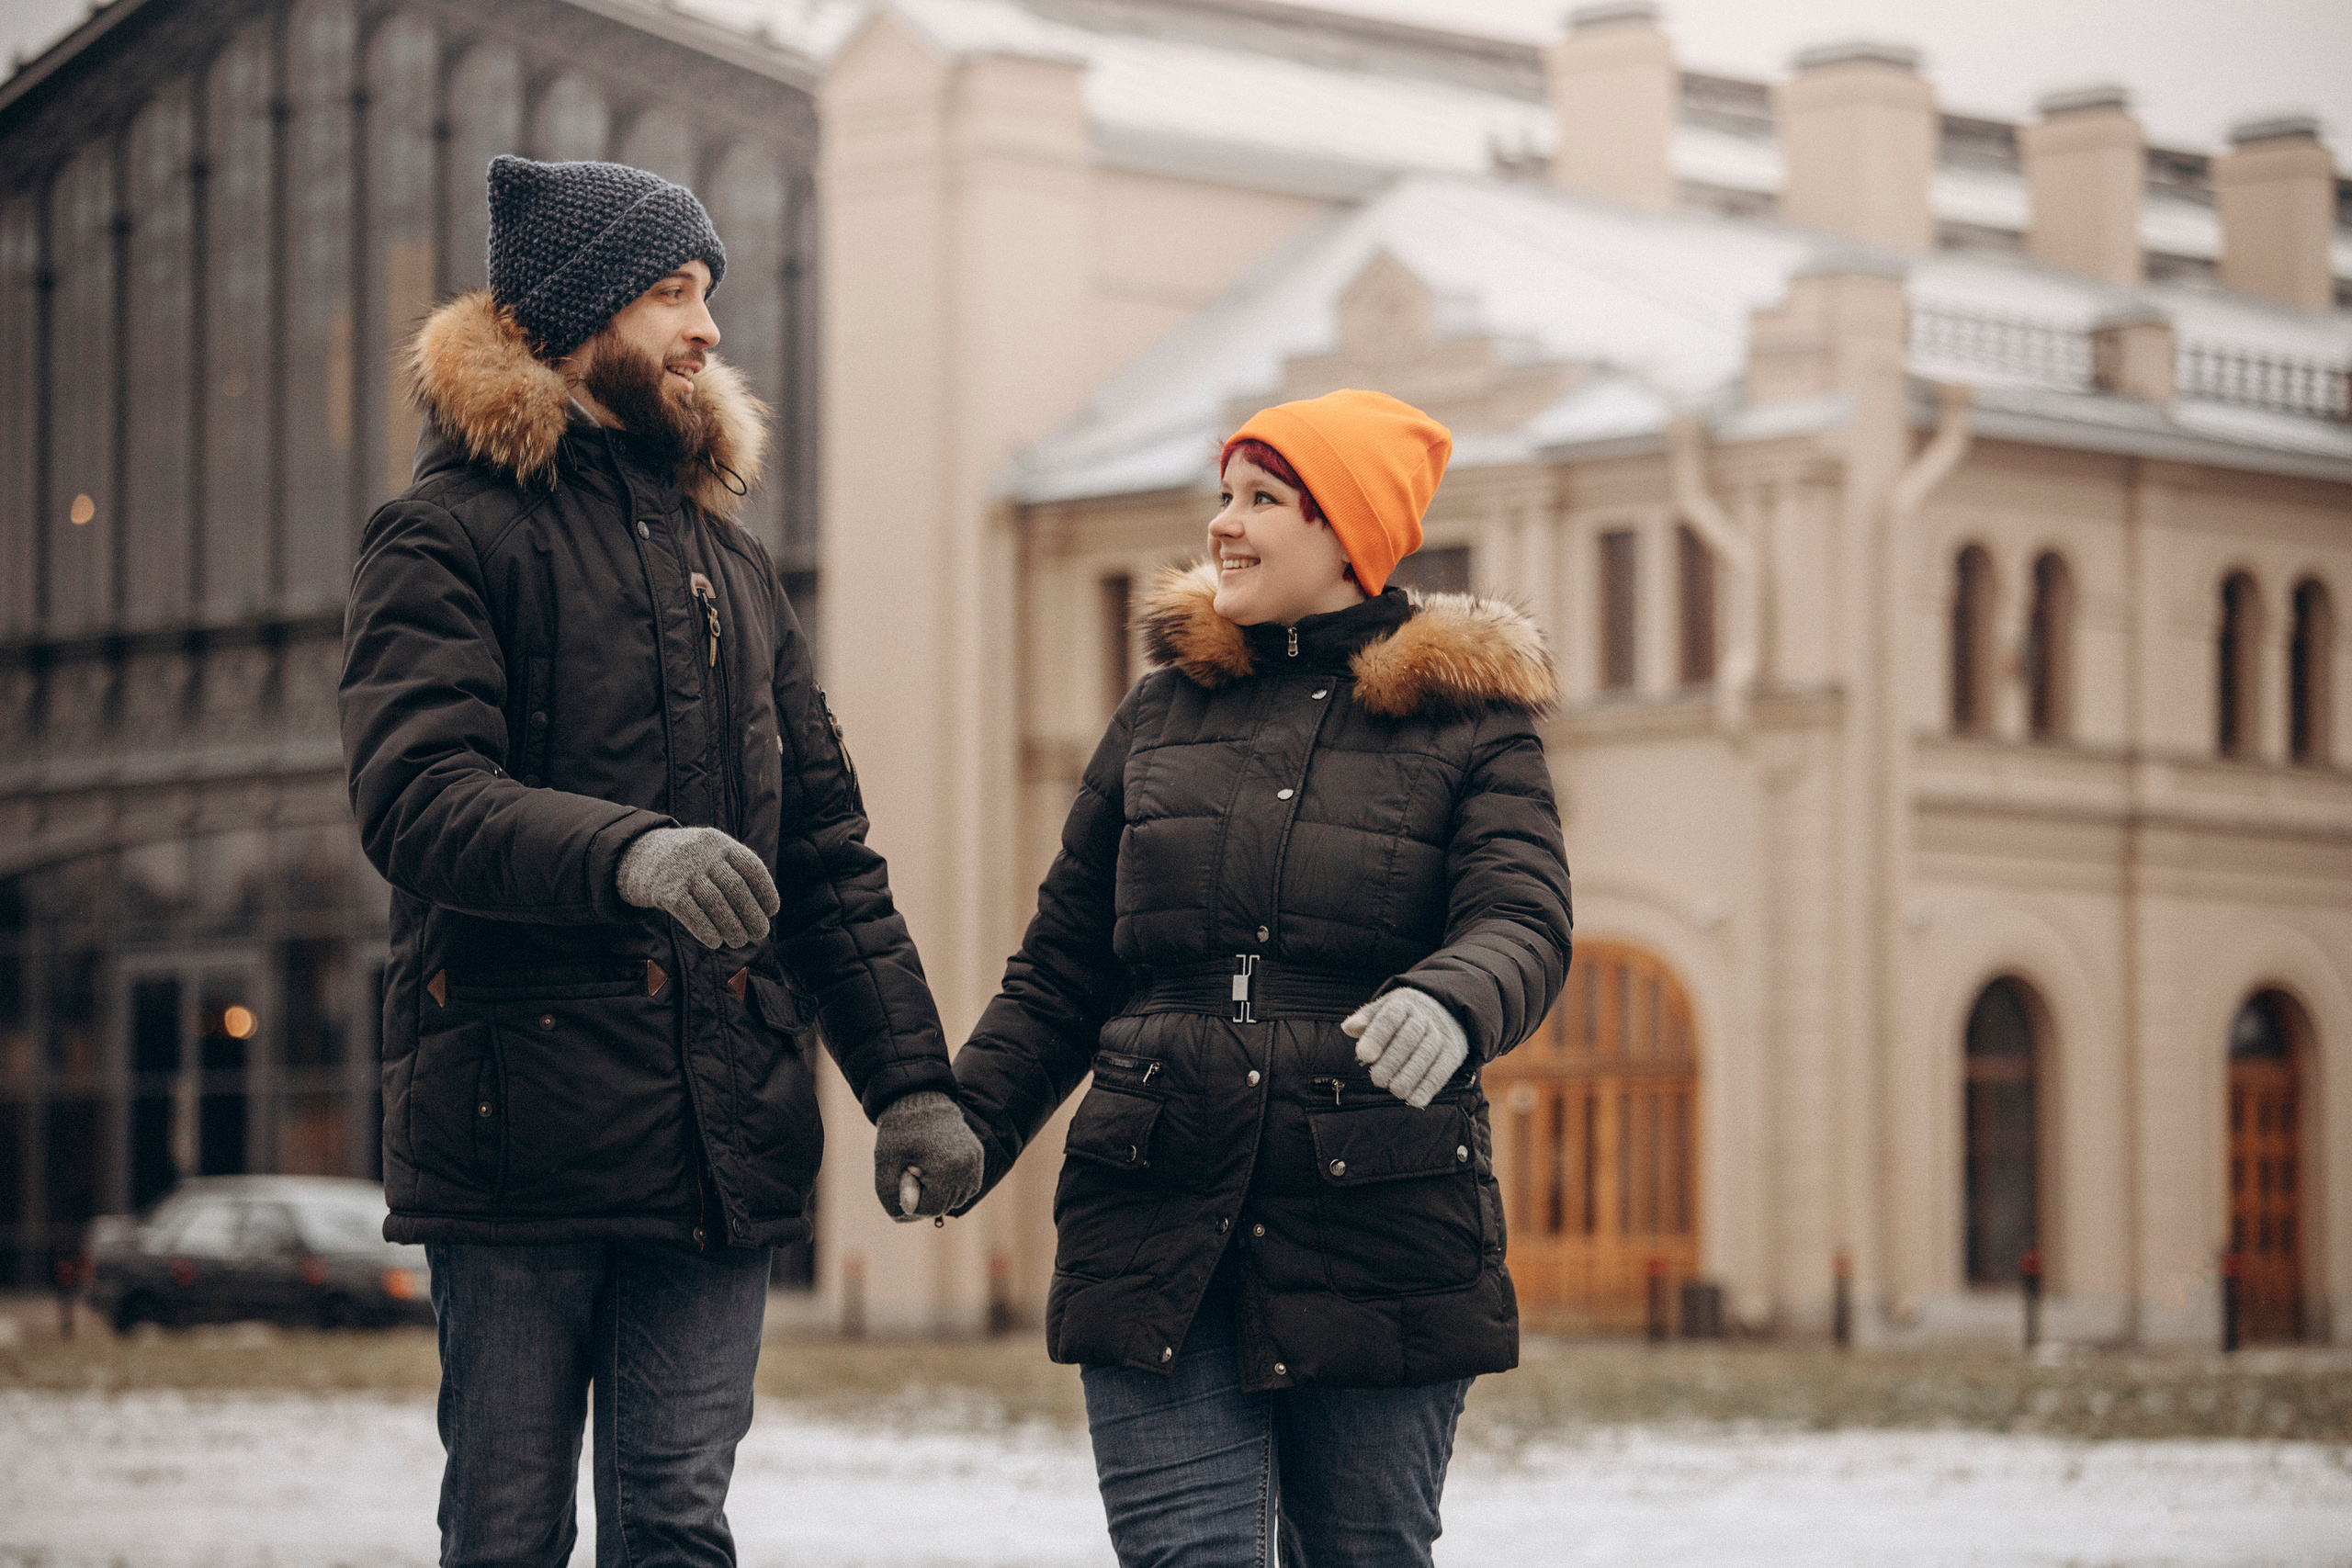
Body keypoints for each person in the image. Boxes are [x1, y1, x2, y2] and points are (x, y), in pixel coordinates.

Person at [340, 154, 982, 1567]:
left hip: (719, 1134)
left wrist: (913, 1083)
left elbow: (823, 855)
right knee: (507, 1528)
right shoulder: (441, 536)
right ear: (573, 320)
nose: (705, 329)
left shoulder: (733, 566)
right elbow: (417, 797)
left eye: (709, 296)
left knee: (678, 1524)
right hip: (520, 1132)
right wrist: (628, 850)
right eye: (673, 294)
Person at [953, 389, 1573, 1566]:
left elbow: (1525, 918)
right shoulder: (1157, 714)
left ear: (1347, 535)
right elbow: (1062, 966)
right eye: (1223, 496)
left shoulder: (1472, 727)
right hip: (1155, 1206)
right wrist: (969, 1119)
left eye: (1262, 500)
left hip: (1379, 1221)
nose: (1223, 525)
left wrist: (1452, 997)